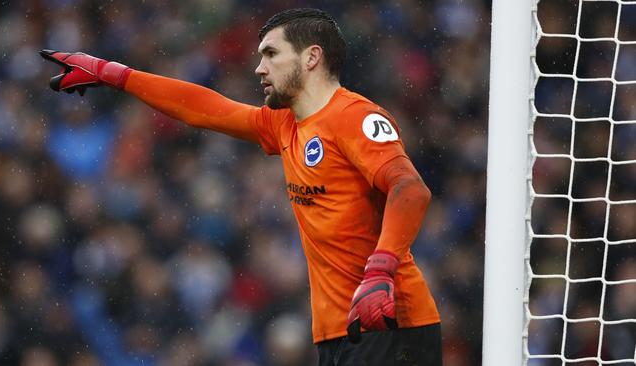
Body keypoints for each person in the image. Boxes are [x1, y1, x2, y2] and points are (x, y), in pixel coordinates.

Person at [40, 8, 442, 366]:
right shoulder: (285, 124)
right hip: (339, 329)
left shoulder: (354, 116)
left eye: (271, 54)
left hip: (391, 319)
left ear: (312, 57)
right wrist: (115, 74)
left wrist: (381, 270)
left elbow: (409, 188)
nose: (259, 69)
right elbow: (204, 108)